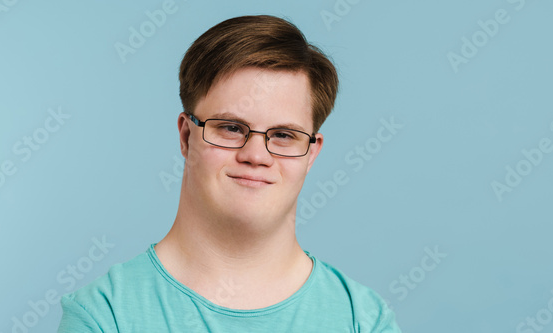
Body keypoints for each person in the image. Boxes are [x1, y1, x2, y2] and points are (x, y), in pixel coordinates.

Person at [57, 15, 401, 332]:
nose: (256, 155)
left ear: (311, 153)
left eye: (283, 135)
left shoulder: (364, 320)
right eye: (231, 128)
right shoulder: (104, 316)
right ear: (186, 136)